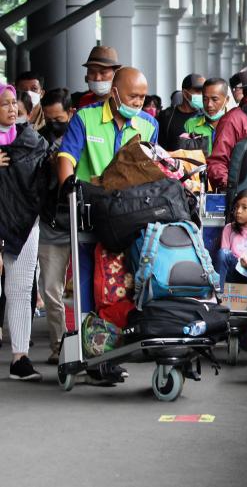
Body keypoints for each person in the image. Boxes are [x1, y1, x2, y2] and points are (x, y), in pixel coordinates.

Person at [56, 67, 157, 383]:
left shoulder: (148, 124)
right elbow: (67, 157)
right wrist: (67, 186)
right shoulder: (85, 119)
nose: (138, 102)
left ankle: (109, 353)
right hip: (90, 213)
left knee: (117, 289)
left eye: (142, 96)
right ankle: (86, 351)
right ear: (114, 93)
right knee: (87, 284)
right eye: (132, 96)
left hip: (127, 219)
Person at [0, 83, 49, 380]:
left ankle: (20, 358)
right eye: (3, 103)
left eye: (13, 103)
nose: (10, 108)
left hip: (24, 223)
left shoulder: (29, 140)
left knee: (20, 289)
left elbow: (43, 173)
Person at [36, 88, 74, 363]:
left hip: (82, 223)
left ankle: (93, 346)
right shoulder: (37, 141)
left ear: (71, 113)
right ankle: (59, 346)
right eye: (48, 119)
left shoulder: (82, 138)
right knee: (50, 288)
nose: (53, 124)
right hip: (51, 223)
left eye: (58, 118)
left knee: (89, 289)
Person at [157, 73, 204, 150]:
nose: (202, 95)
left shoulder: (206, 116)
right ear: (185, 93)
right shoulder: (167, 116)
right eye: (198, 91)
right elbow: (160, 147)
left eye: (204, 91)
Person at [182, 77, 228, 154]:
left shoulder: (235, 126)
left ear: (227, 100)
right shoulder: (190, 125)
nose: (209, 104)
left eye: (214, 99)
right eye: (205, 99)